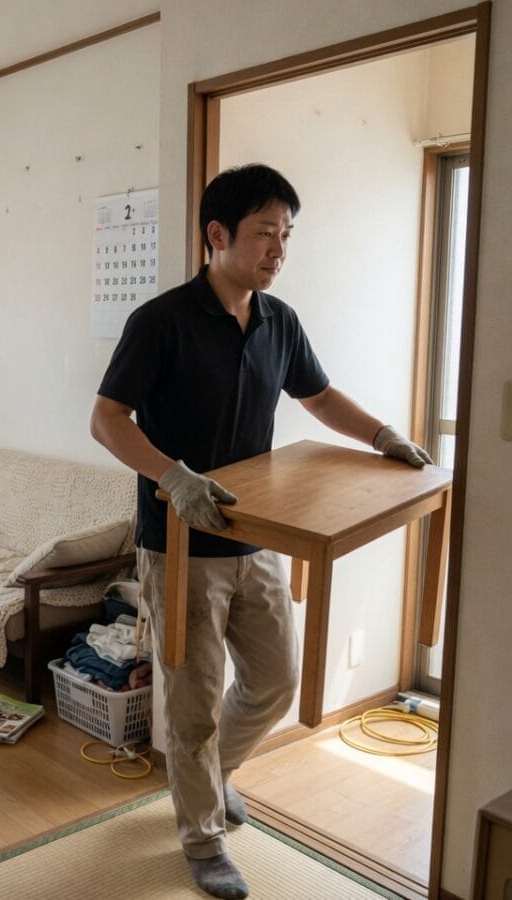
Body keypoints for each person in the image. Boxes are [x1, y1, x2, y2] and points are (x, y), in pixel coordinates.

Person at [89, 163, 432, 900]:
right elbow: (107, 419)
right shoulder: (161, 321)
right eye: (265, 233)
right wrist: (172, 476)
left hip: (257, 537)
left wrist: (382, 435)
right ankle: (202, 838)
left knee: (275, 681)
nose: (279, 249)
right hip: (181, 544)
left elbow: (318, 396)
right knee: (193, 703)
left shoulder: (279, 320)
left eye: (287, 235)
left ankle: (212, 779)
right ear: (217, 235)